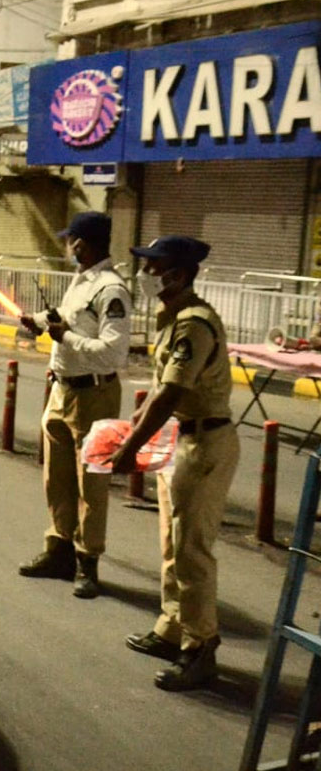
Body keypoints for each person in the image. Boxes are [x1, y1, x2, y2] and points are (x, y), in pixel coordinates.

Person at [110, 235, 239, 692]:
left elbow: (170, 394)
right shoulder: (173, 319)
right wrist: (132, 432)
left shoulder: (194, 325)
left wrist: (130, 449)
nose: (145, 275)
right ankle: (171, 627)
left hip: (205, 444)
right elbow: (158, 390)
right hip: (184, 439)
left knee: (192, 551)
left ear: (177, 274)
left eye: (153, 267)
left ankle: (200, 648)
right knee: (172, 541)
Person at [18, 211, 132, 599]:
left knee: (91, 485)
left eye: (71, 240)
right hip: (62, 391)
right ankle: (59, 551)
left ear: (82, 243)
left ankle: (88, 562)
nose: (68, 246)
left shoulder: (111, 290)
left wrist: (64, 338)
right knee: (57, 479)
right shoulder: (80, 283)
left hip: (95, 396)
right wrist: (37, 321)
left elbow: (112, 355)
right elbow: (66, 319)